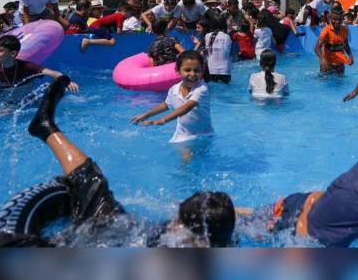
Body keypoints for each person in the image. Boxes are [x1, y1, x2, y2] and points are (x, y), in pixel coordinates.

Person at [14, 75, 235, 247]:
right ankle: (45, 126)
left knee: (91, 181)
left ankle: (46, 128)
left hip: (103, 235)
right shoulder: (220, 241)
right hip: (118, 230)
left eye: (178, 218)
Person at [132, 51, 213, 143]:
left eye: (197, 70)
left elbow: (187, 108)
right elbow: (166, 104)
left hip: (203, 135)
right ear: (178, 71)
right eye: (187, 70)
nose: (193, 74)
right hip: (182, 134)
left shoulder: (202, 89)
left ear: (202, 71)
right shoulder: (174, 89)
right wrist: (145, 115)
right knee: (186, 157)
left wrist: (162, 120)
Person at [0, 35, 79, 100]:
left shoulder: (27, 67)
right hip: (6, 102)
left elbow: (52, 73)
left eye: (0, 51)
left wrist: (67, 81)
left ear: (13, 53)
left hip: (29, 99)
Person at [315, 7, 354, 75]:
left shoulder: (344, 30)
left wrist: (350, 55)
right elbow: (317, 48)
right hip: (327, 65)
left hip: (340, 65)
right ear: (330, 18)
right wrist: (323, 60)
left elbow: (346, 45)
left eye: (339, 19)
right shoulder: (326, 31)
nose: (337, 21)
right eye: (334, 19)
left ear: (342, 19)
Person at [202, 17, 232, 83]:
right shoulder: (227, 36)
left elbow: (207, 51)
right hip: (225, 70)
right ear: (224, 25)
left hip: (211, 69)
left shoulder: (207, 36)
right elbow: (229, 52)